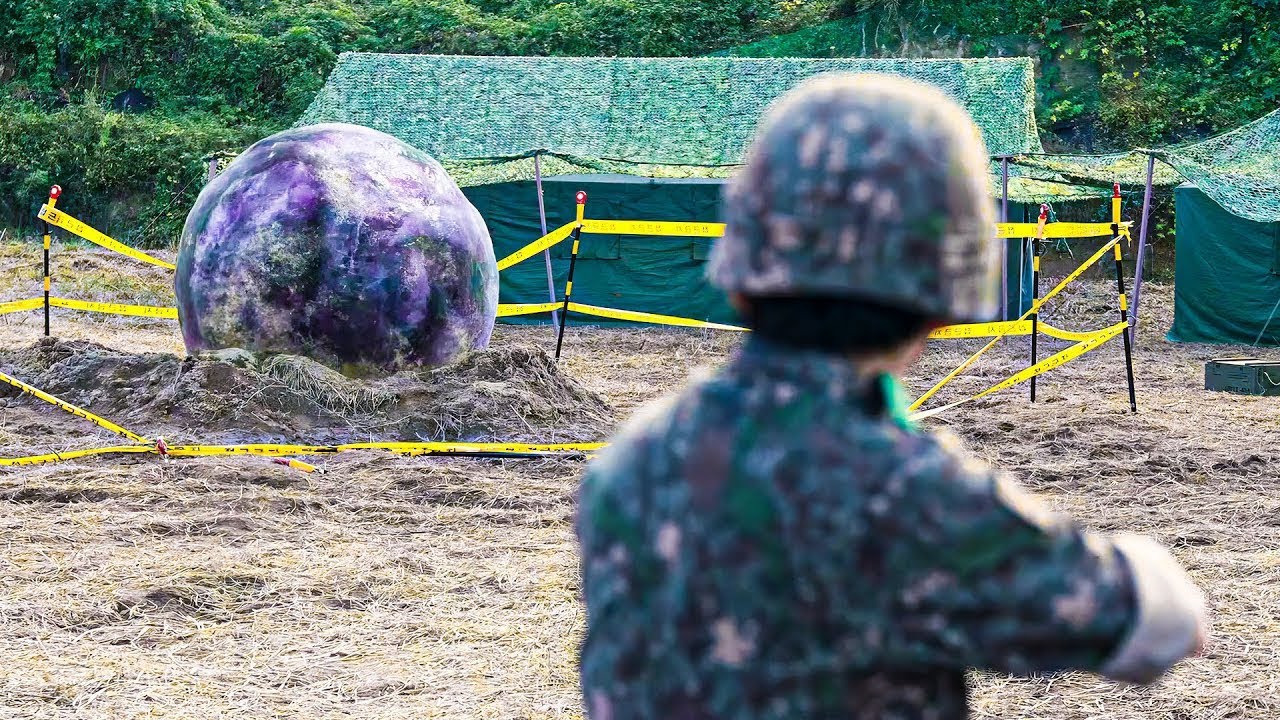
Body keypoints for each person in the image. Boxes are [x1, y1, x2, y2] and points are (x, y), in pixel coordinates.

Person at [573, 73, 1208, 719]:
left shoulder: (630, 460)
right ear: (948, 301)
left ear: (741, 274)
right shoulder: (907, 492)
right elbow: (1162, 624)